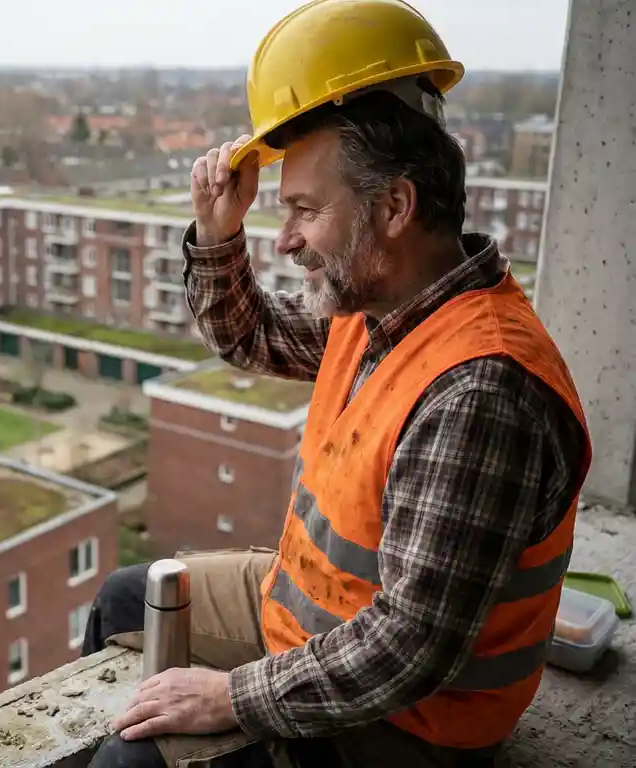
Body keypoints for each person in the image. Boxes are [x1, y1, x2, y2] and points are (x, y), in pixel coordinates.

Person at [83, 1, 592, 766]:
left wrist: (228, 697)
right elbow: (248, 335)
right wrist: (219, 232)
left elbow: (409, 649)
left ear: (393, 207)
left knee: (132, 761)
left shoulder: (480, 392)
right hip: (311, 618)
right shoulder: (381, 308)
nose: (284, 239)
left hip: (411, 725)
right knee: (129, 598)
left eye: (304, 210)